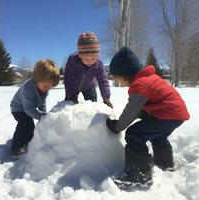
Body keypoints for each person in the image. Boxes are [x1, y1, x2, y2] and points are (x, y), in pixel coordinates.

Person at [106, 46, 190, 190]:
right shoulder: (149, 79)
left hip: (168, 114)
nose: (119, 82)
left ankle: (138, 176)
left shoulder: (140, 85)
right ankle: (165, 163)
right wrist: (145, 114)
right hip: (176, 114)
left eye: (117, 78)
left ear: (125, 74)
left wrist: (117, 126)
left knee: (134, 134)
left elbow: (131, 110)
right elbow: (151, 103)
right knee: (158, 136)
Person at [10, 59, 60, 156]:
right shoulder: (28, 88)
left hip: (28, 108)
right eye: (46, 85)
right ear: (37, 79)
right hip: (18, 109)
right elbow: (28, 109)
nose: (47, 89)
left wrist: (44, 114)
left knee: (30, 127)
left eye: (50, 86)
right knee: (25, 124)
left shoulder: (44, 88)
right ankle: (16, 149)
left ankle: (28, 141)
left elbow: (42, 102)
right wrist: (42, 116)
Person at [64, 32, 112, 108]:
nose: (90, 61)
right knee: (69, 106)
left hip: (89, 87)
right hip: (74, 87)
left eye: (93, 58)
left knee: (93, 106)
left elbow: (103, 80)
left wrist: (106, 97)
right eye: (86, 58)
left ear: (97, 56)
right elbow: (68, 78)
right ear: (80, 56)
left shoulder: (98, 65)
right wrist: (70, 93)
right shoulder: (73, 61)